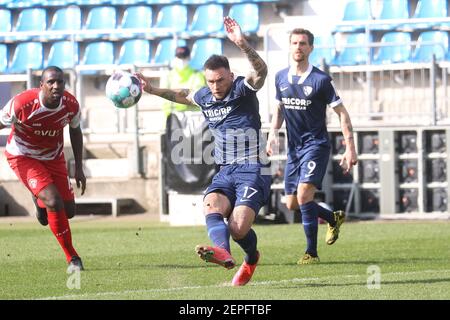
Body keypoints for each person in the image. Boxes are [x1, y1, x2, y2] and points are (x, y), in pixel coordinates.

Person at [136, 17, 269, 286]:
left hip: (253, 168)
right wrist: (151, 89)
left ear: (230, 76)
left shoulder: (243, 89)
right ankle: (223, 253)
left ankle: (251, 258)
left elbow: (261, 72)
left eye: (220, 80)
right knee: (211, 205)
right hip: (225, 169)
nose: (216, 86)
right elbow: (182, 95)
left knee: (238, 227)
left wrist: (243, 44)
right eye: (210, 81)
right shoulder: (205, 96)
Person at [266, 28, 358, 264]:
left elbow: (342, 113)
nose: (298, 47)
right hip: (294, 150)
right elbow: (278, 109)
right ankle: (331, 218)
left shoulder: (321, 80)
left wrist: (350, 147)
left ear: (311, 48)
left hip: (316, 145)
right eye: (295, 43)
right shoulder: (280, 77)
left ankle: (311, 253)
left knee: (304, 194)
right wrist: (273, 133)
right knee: (292, 203)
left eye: (303, 43)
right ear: (289, 46)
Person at [0, 66, 86, 272]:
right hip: (23, 156)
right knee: (53, 201)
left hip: (53, 157)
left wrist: (79, 168)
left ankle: (39, 199)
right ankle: (73, 258)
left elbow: (76, 131)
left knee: (69, 211)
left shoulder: (71, 105)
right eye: (51, 82)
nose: (56, 86)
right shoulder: (22, 104)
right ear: (42, 85)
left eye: (60, 82)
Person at [160, 45, 206, 117]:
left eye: (184, 58)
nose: (181, 60)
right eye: (179, 57)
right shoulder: (167, 76)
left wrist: (175, 100)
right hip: (172, 118)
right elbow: (164, 101)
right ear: (175, 58)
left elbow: (198, 97)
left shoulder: (197, 75)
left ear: (189, 58)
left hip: (194, 117)